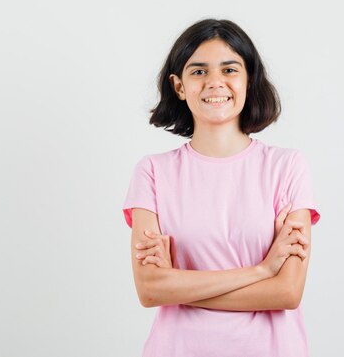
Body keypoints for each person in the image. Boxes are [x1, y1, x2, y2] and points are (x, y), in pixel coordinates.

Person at [121, 18, 321, 357]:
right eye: (198, 71)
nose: (215, 82)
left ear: (249, 80)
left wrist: (180, 287)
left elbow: (287, 291)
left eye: (229, 70)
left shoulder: (287, 166)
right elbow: (150, 290)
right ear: (179, 86)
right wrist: (262, 270)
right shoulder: (153, 172)